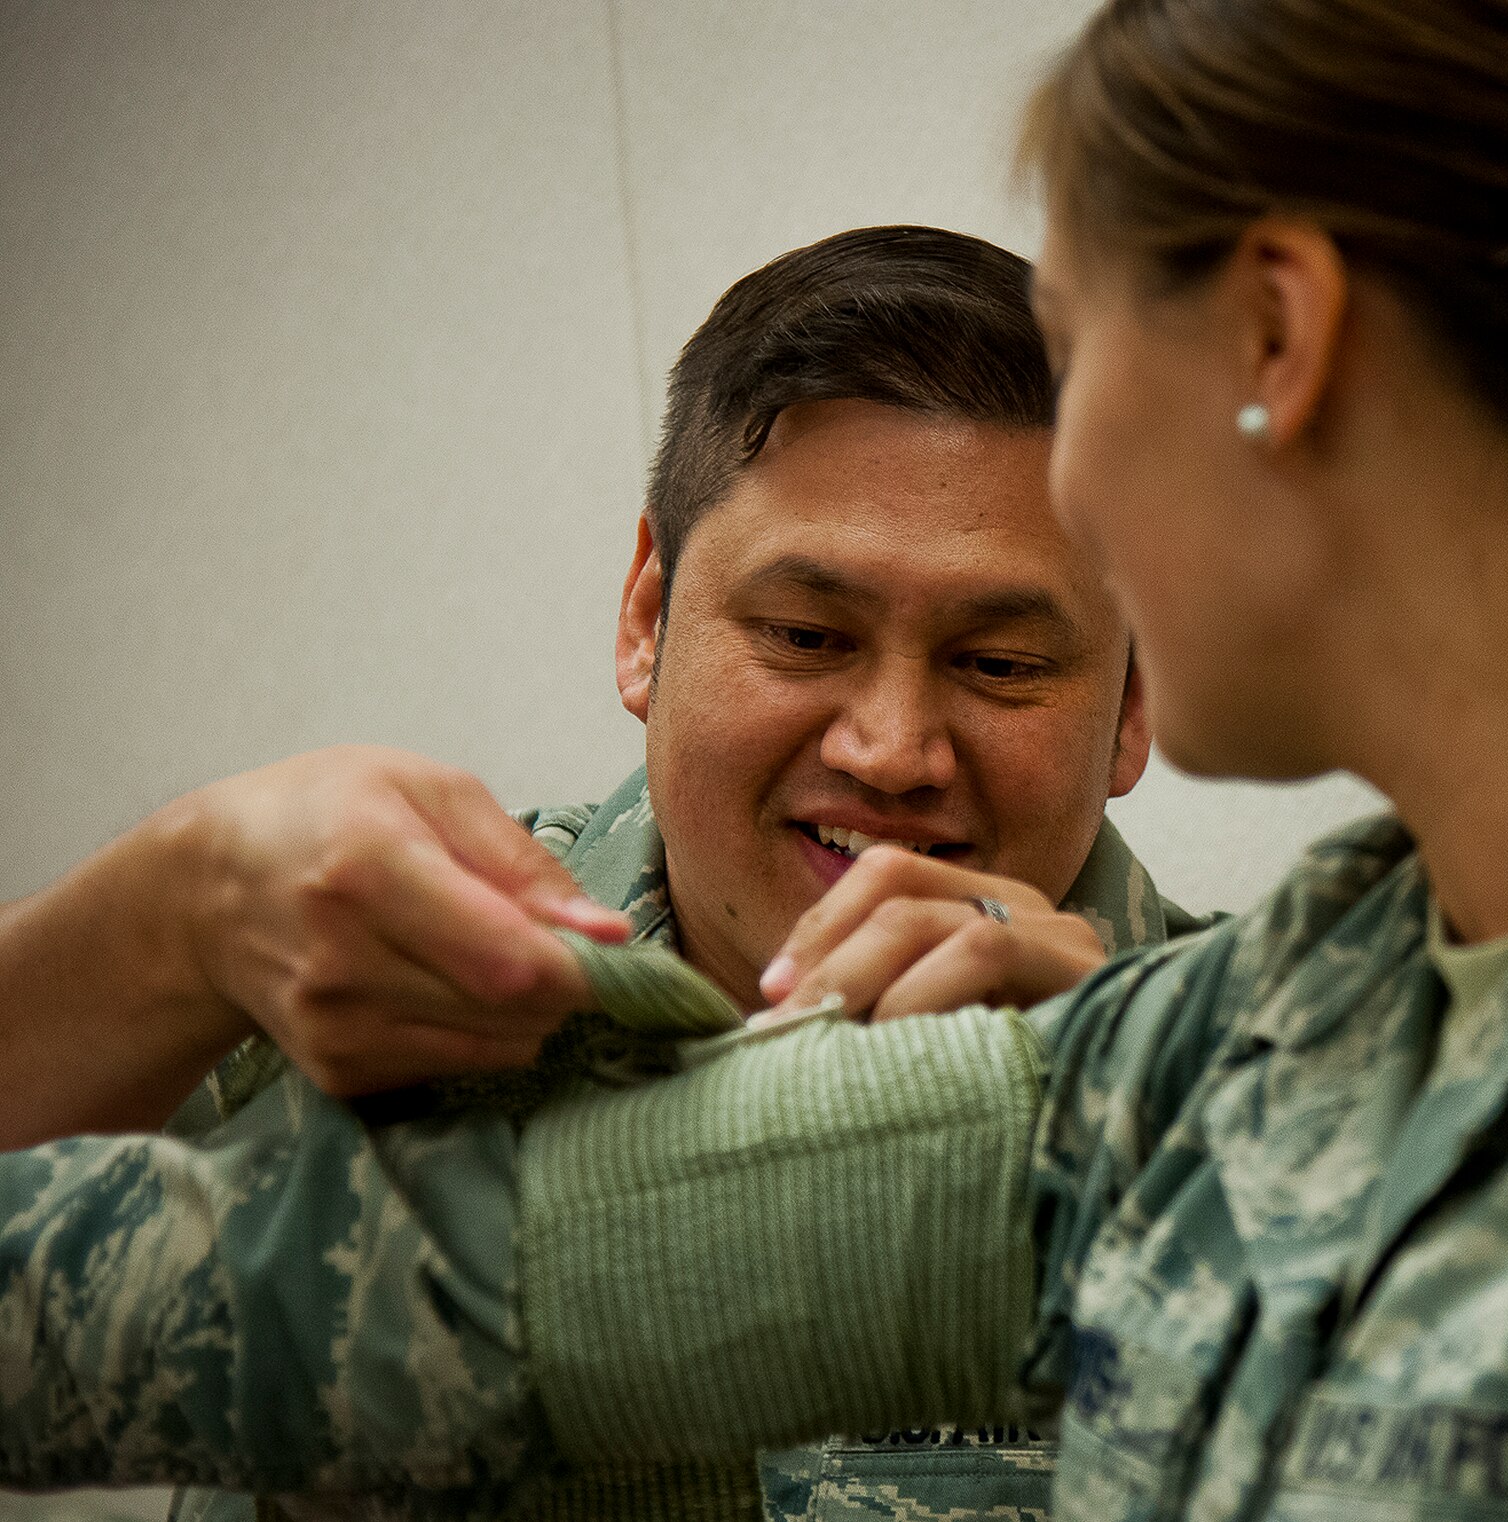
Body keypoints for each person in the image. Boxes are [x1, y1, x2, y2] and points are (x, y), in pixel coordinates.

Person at [4, 1, 1508, 1519]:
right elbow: (322, 1296)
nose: (1076, 476)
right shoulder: (1236, 1038)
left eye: (1077, 333)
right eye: (803, 627)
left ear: (1274, 340)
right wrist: (177, 904)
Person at [0, 226, 1202, 1522]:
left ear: (1132, 703)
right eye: (805, 634)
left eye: (1002, 662)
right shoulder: (352, 961)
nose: (893, 749)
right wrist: (169, 916)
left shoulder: (1262, 1084)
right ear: (647, 619)